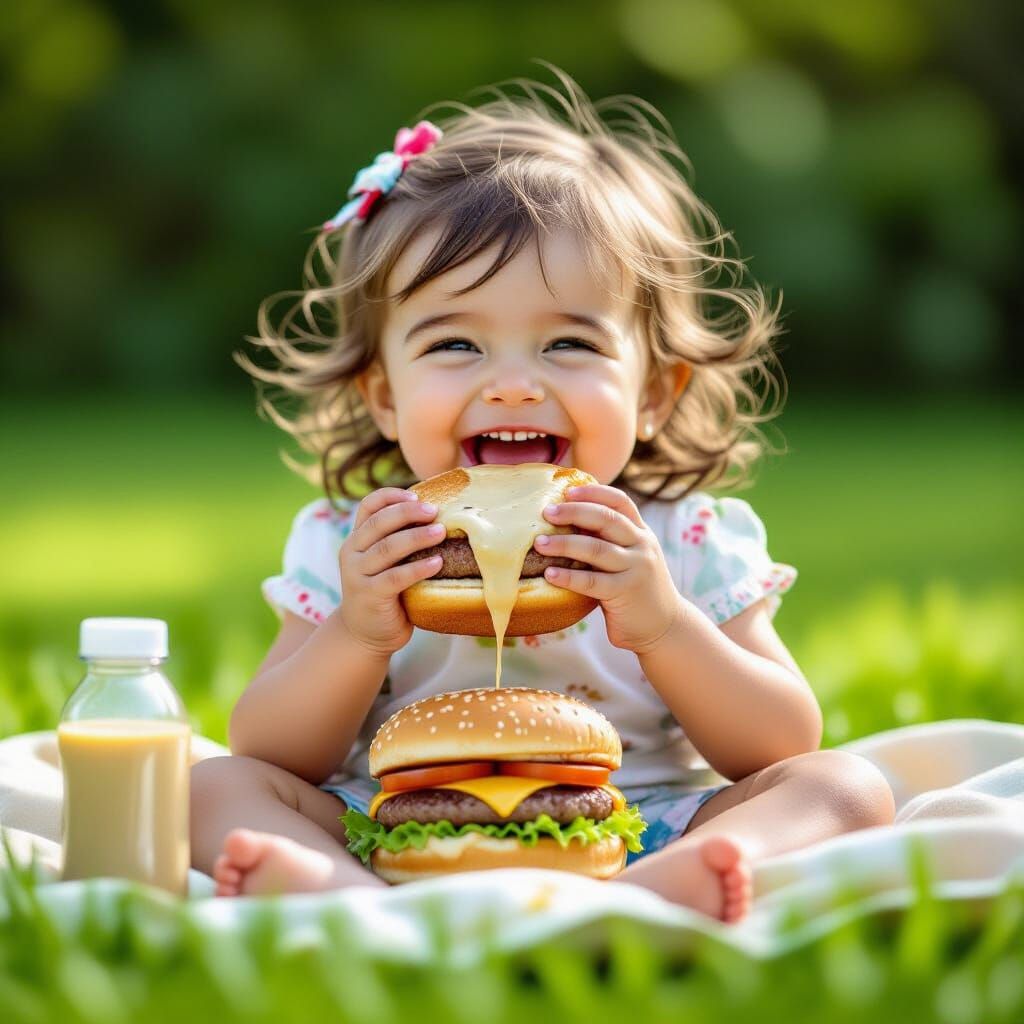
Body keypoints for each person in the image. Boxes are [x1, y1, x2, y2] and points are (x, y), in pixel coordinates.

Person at [190, 67, 895, 922]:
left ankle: (675, 881)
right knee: (212, 788)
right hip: (390, 826)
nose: (515, 385)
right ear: (384, 395)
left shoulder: (684, 537)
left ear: (653, 392)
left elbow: (782, 742)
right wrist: (356, 628)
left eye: (568, 343)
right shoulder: (358, 539)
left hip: (642, 823)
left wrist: (666, 623)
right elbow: (268, 748)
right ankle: (340, 894)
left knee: (844, 784)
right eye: (455, 344)